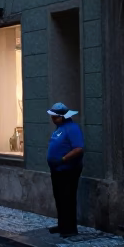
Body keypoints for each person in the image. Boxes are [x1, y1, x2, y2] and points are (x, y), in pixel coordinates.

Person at [46, 102, 85, 237]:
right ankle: (62, 225)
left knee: (67, 198)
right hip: (57, 169)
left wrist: (63, 159)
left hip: (68, 169)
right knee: (59, 198)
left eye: (55, 117)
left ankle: (69, 229)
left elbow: (78, 148)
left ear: (63, 117)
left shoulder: (72, 128)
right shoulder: (59, 128)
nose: (53, 119)